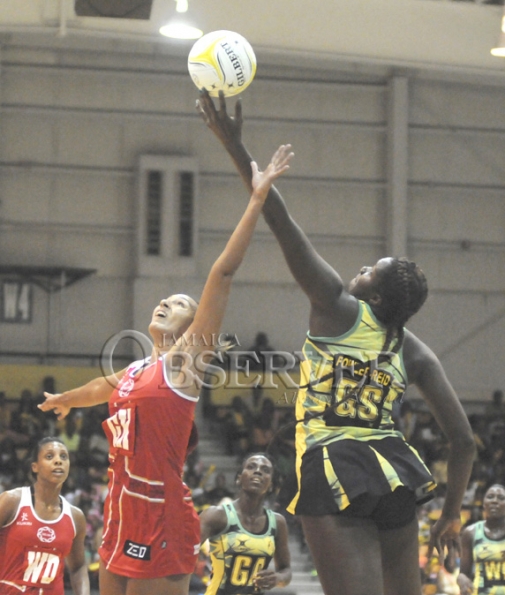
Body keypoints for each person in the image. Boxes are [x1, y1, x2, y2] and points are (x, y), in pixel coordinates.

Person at [196, 90, 475, 595]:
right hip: (391, 469)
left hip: (332, 462)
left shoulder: (338, 307)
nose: (361, 270)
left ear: (376, 292)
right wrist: (451, 515)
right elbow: (463, 441)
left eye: (371, 270)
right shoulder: (414, 350)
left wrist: (235, 147)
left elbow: (282, 224)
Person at [38, 144, 293, 595]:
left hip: (160, 508)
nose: (164, 303)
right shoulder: (139, 367)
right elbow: (102, 385)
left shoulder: (186, 363)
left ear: (194, 325)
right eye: (163, 300)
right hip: (119, 503)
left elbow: (222, 274)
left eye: (177, 304)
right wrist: (65, 400)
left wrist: (256, 201)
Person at [0, 436, 89, 594]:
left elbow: (78, 567)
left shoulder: (76, 517)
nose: (58, 461)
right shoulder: (12, 501)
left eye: (63, 456)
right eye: (49, 456)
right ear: (35, 467)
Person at [200, 453, 292, 594]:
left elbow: (286, 570)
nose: (258, 471)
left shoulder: (277, 522)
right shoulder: (215, 515)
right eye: (251, 466)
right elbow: (183, 554)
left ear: (271, 484)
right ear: (239, 478)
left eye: (265, 470)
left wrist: (278, 578)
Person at [458, 483, 505, 595]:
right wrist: (462, 580)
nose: (495, 501)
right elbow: (463, 573)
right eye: (490, 497)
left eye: (501, 498)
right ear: (484, 503)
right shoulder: (470, 532)